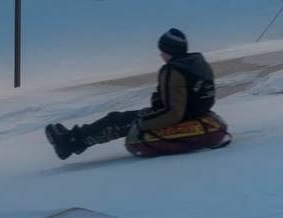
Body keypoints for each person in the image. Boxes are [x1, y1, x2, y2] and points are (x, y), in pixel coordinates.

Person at [45, 29, 226, 160]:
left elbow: (174, 112)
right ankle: (74, 138)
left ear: (169, 51)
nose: (160, 54)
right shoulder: (197, 63)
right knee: (121, 118)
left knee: (116, 121)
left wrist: (142, 124)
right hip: (196, 113)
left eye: (162, 50)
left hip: (179, 117)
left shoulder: (173, 71)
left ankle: (69, 142)